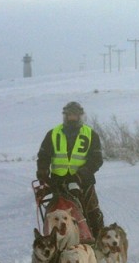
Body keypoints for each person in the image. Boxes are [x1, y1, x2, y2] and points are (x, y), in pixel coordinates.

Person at [36, 101, 105, 239]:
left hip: (83, 182)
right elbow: (43, 156)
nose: (72, 118)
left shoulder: (91, 135)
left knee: (92, 212)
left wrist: (81, 175)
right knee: (56, 212)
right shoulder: (53, 134)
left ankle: (98, 241)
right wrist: (43, 172)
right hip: (58, 182)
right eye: (69, 115)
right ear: (65, 116)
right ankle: (55, 240)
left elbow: (96, 160)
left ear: (80, 116)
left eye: (75, 115)